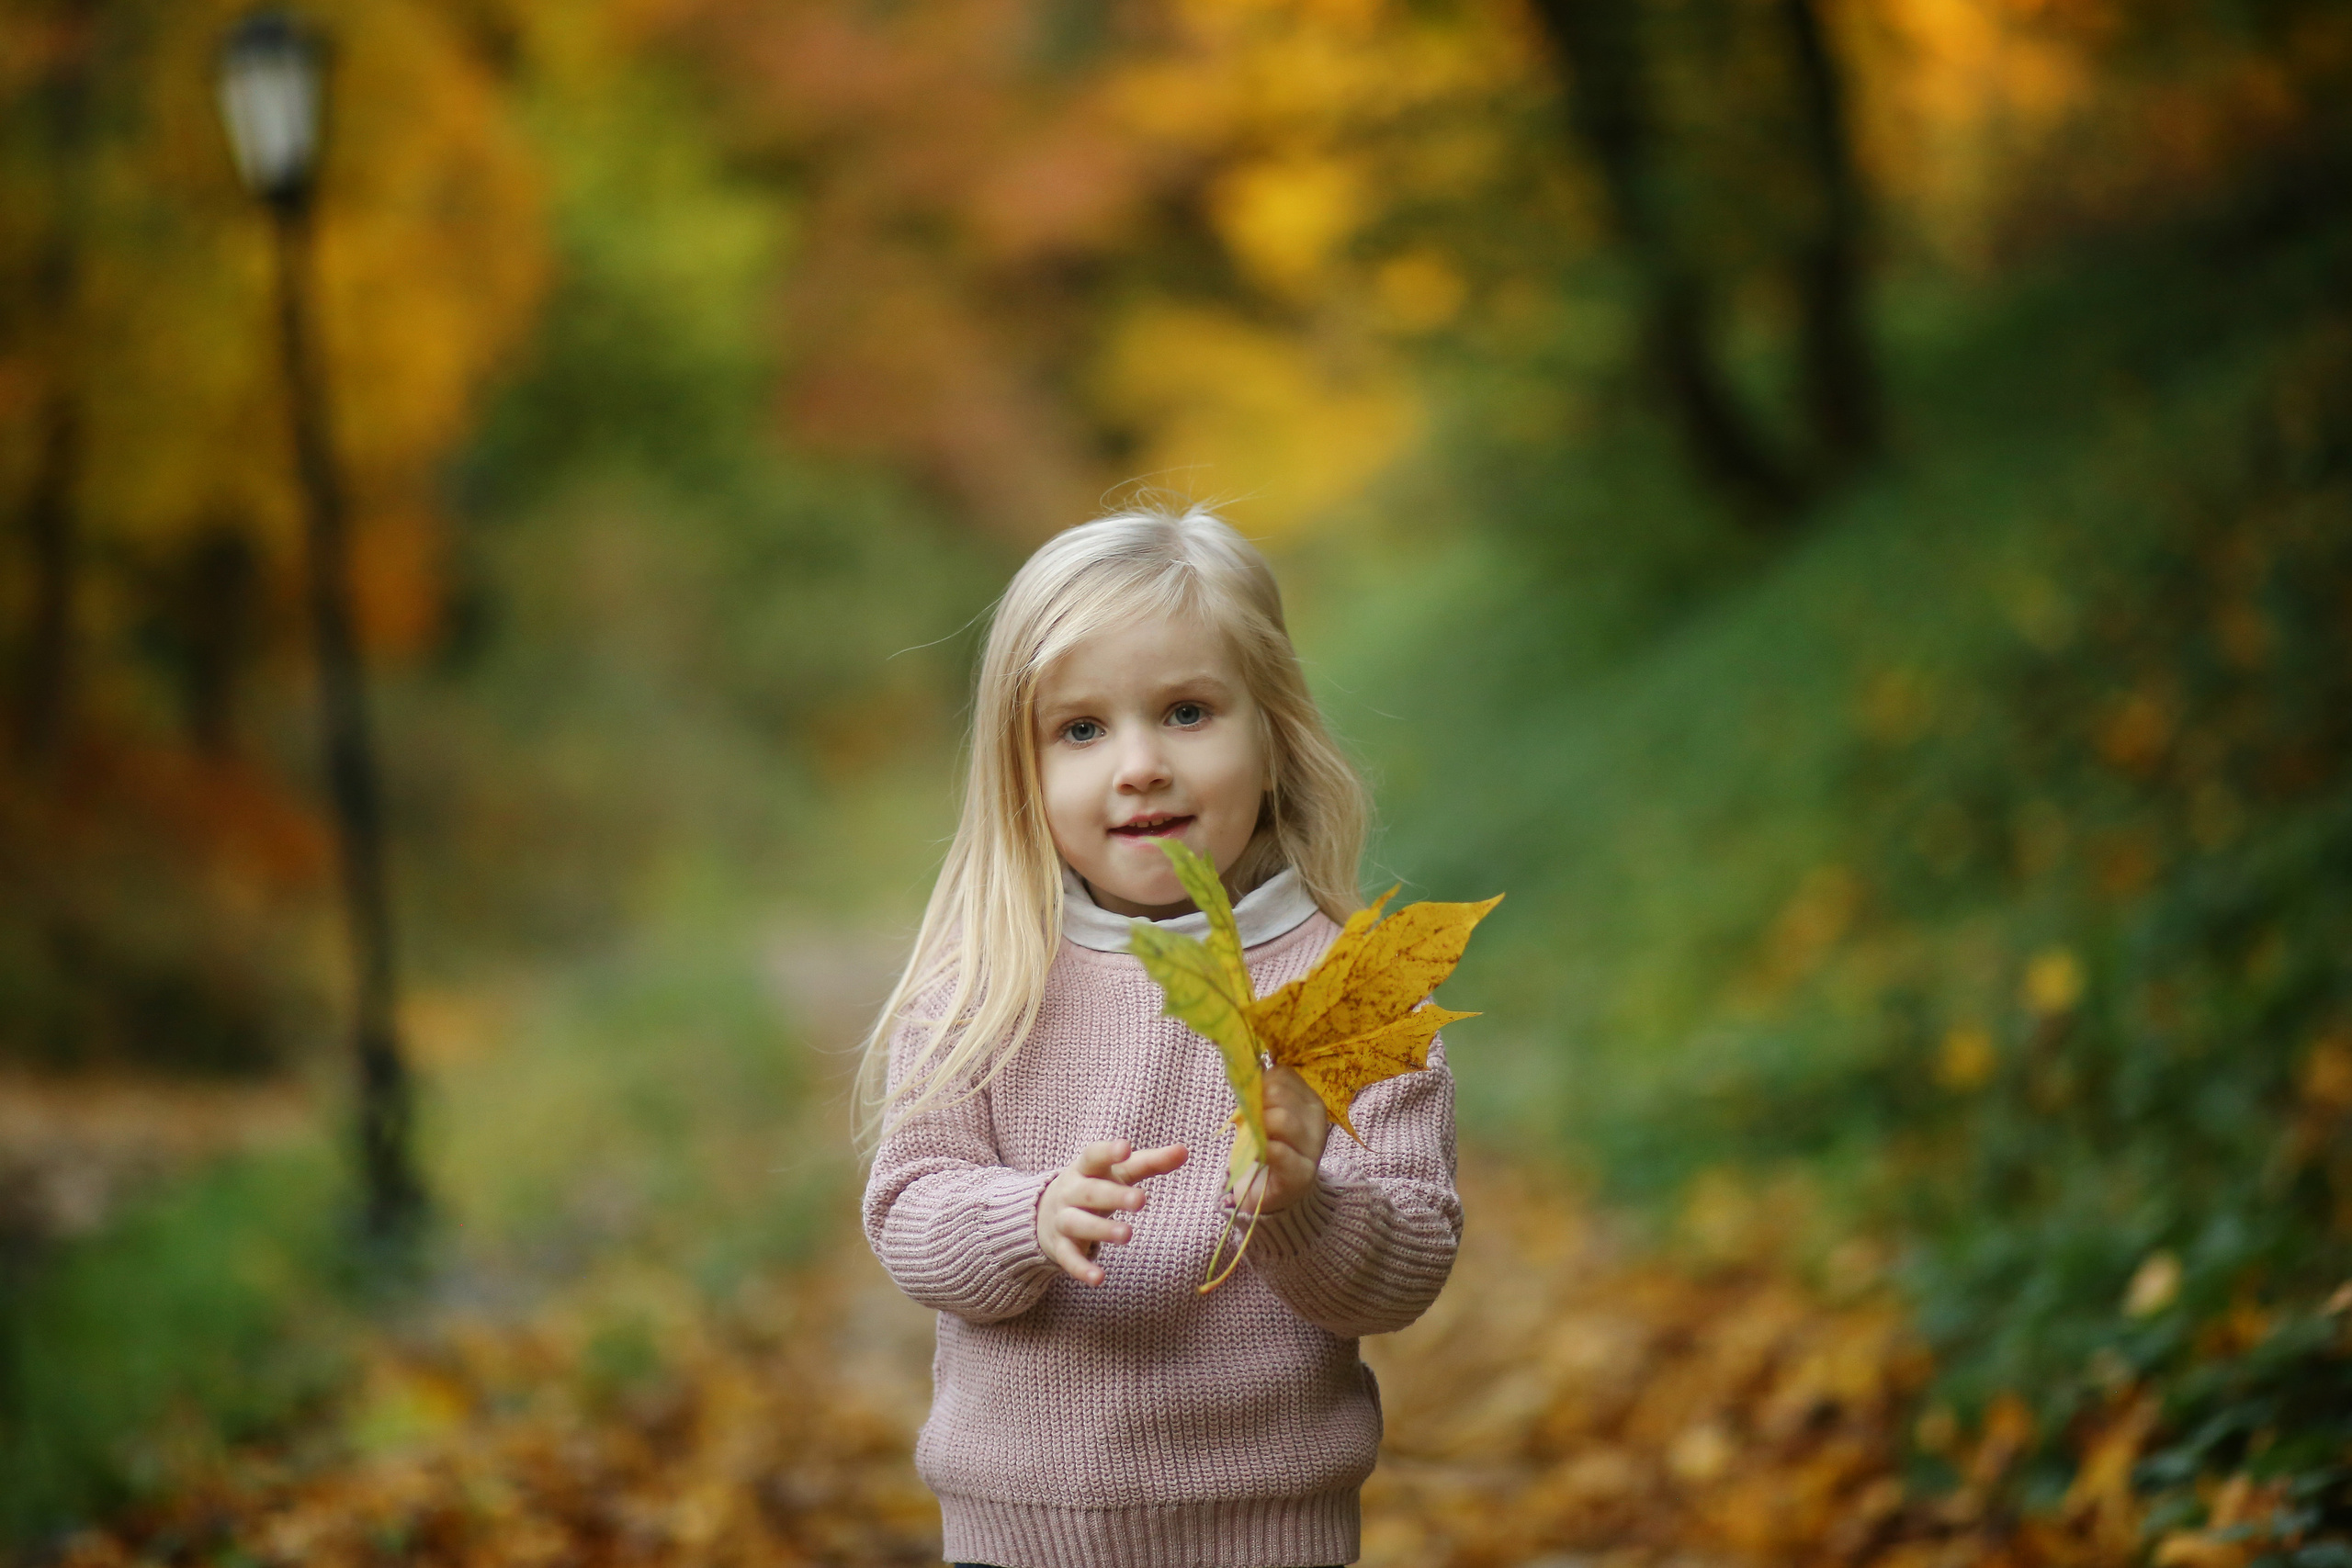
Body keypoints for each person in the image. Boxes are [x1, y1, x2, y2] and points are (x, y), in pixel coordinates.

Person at [858, 503, 1462, 1568]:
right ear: (1022, 774)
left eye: (1186, 712)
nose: (1138, 765)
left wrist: (1304, 1205)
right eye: (1081, 730)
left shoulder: (1354, 994)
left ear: (1272, 739)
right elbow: (910, 1207)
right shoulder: (986, 983)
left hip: (1268, 1531)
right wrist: (1026, 1216)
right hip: (1019, 1531)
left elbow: (1406, 1268)